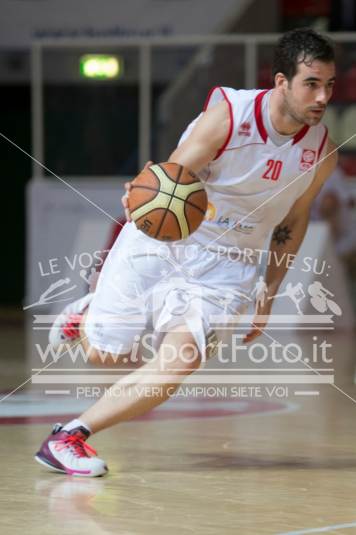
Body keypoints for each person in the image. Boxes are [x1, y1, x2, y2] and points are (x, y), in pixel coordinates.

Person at [35, 28, 337, 477]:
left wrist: (269, 291)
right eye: (311, 83)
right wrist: (143, 189)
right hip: (170, 237)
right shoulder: (229, 116)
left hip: (229, 264)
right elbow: (174, 176)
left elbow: (293, 222)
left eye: (329, 86)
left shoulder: (321, 151)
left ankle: (68, 436)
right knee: (104, 356)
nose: (322, 97)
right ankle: (90, 310)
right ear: (281, 82)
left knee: (179, 365)